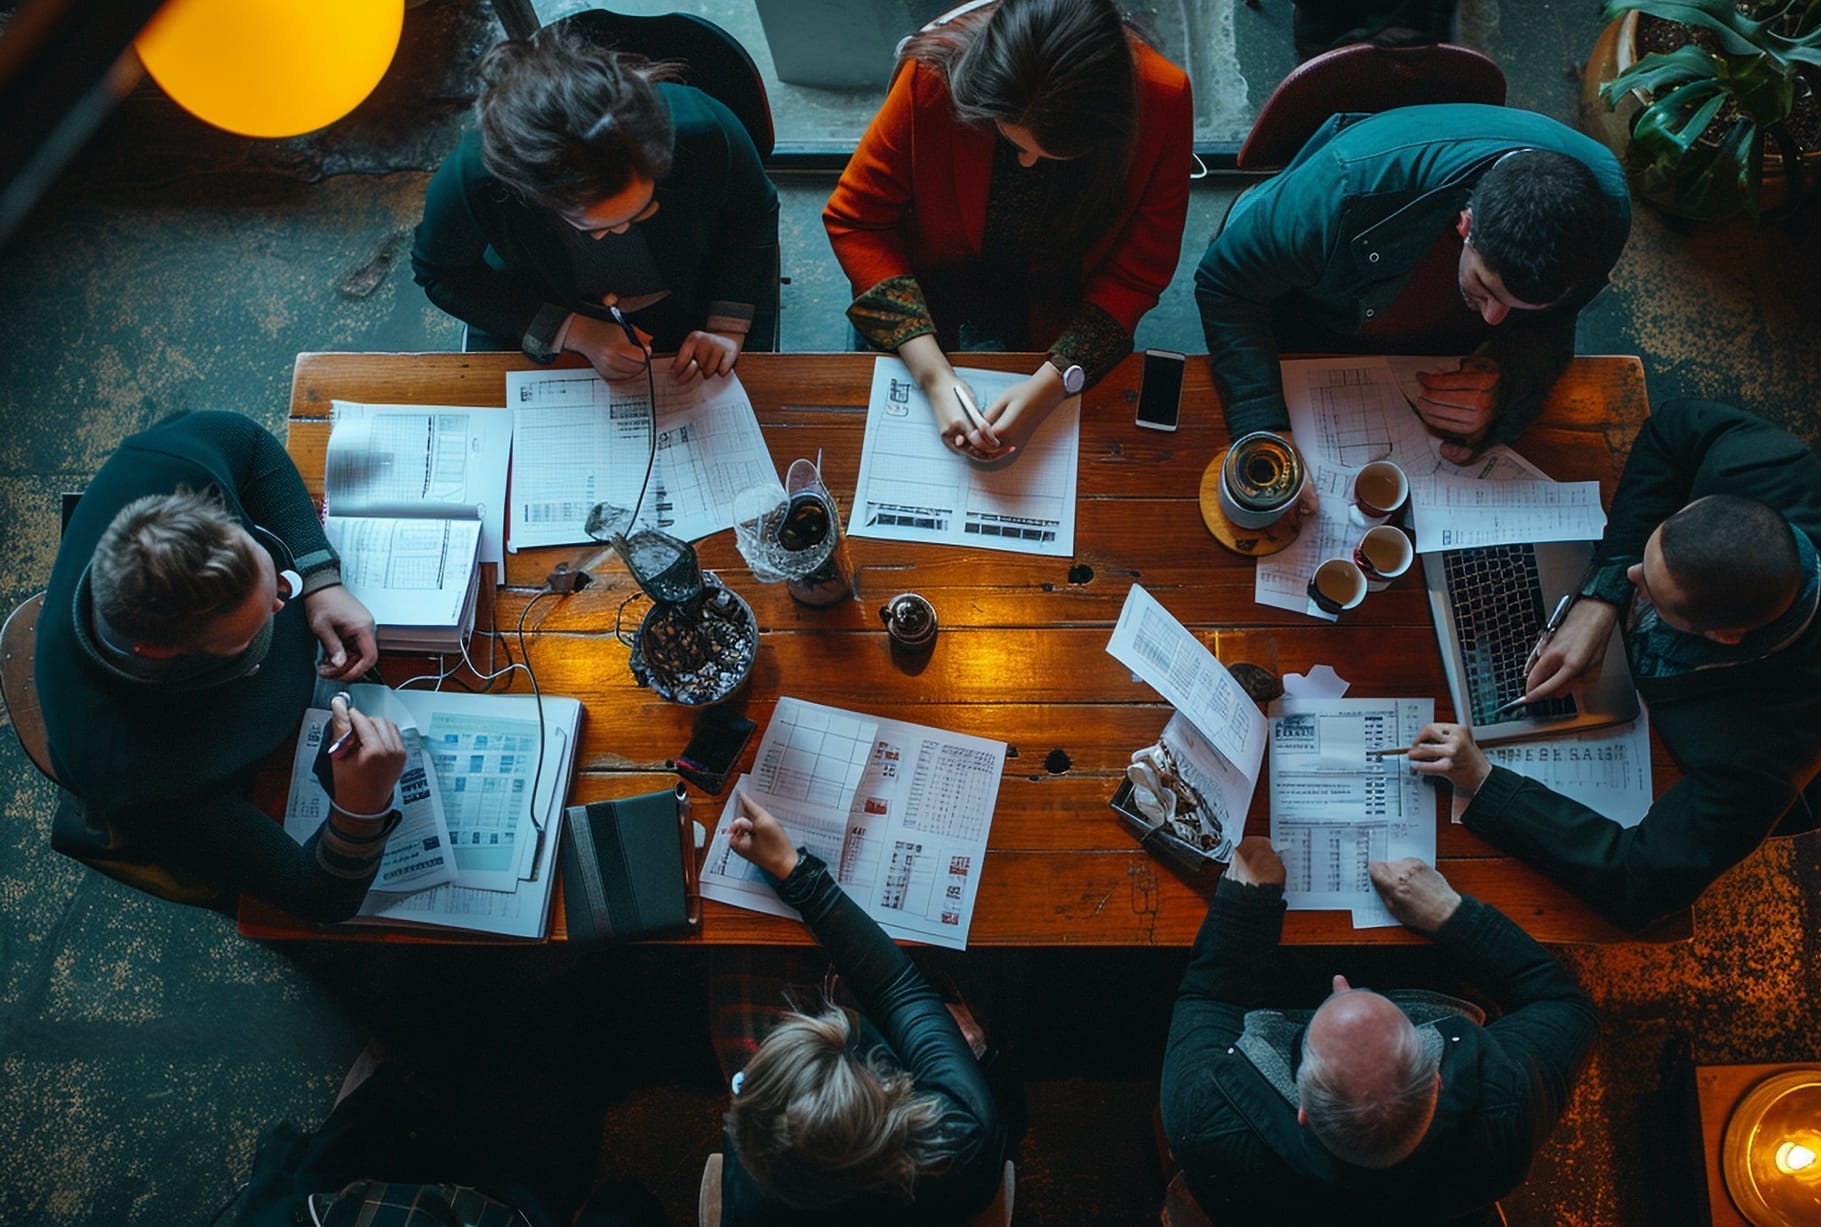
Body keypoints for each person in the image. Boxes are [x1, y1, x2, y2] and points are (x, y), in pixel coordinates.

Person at [1410, 399, 1821, 930]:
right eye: (1646, 559)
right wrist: (1601, 597)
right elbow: (1673, 429)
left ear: (1724, 637)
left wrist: (1484, 782)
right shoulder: (1765, 463)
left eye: (1649, 591)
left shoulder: (1762, 756)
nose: (1632, 579)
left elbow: (1642, 885)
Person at [35, 411, 405, 920]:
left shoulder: (158, 468)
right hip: (248, 769)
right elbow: (320, 899)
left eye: (272, 571)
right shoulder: (137, 776)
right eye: (256, 627)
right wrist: (361, 807)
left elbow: (249, 445)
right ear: (161, 653)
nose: (284, 598)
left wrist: (318, 577)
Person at [824, 0, 1194, 461]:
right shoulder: (936, 74)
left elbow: (1137, 273)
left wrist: (1053, 382)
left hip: (1057, 294)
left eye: (1050, 152)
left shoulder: (1163, 99)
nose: (1025, 163)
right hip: (929, 280)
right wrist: (933, 375)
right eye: (1012, 140)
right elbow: (857, 219)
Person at [1196, 103, 1630, 488]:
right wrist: (1266, 430)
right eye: (1485, 289)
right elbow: (1225, 285)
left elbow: (1553, 324)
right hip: (1310, 305)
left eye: (1517, 307)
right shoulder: (1345, 191)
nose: (1494, 320)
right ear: (1466, 225)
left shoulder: (1604, 210)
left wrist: (1505, 386)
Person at [1160, 843, 1598, 1224]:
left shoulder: (1207, 1122)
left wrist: (1243, 912)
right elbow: (1566, 1007)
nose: (1342, 983)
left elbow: (1206, 1001)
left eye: (1332, 1004)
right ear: (1437, 1077)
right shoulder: (1507, 1112)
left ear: (1303, 1110)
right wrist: (1453, 916)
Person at [411, 25, 781, 383]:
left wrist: (725, 327)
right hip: (550, 300)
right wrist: (575, 331)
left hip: (693, 294)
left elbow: (753, 216)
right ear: (531, 196)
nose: (620, 230)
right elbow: (441, 273)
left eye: (643, 210)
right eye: (597, 228)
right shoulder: (478, 178)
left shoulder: (703, 129)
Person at [717, 796, 1008, 1225]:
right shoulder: (962, 1140)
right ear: (890, 1096)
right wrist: (795, 870)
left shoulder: (752, 1202)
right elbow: (899, 989)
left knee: (728, 956)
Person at [236, 1042, 668, 1226]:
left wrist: (380, 1094)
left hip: (386, 1161)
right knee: (570, 1049)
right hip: (519, 1189)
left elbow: (287, 1198)